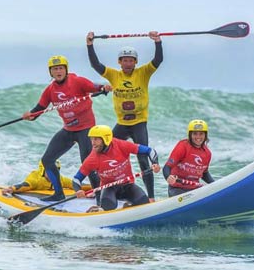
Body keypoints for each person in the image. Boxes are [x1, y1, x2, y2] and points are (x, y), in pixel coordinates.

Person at [86, 31, 163, 202]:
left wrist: (157, 42)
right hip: (121, 124)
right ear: (119, 62)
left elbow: (158, 61)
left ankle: (151, 197)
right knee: (100, 153)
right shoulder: (114, 75)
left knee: (143, 159)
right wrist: (89, 45)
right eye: (124, 60)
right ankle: (99, 191)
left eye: (131, 60)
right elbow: (95, 65)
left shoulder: (143, 73)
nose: (128, 63)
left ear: (135, 62)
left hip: (139, 124)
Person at [22, 55, 111, 201]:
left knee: (88, 162)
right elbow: (39, 109)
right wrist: (30, 115)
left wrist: (104, 87)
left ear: (66, 69)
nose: (58, 71)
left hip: (86, 129)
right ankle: (58, 194)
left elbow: (95, 87)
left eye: (61, 68)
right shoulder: (50, 90)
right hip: (68, 130)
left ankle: (100, 196)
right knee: (47, 160)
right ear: (51, 72)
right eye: (55, 69)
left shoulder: (77, 81)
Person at [72, 125, 160, 211]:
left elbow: (150, 151)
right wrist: (78, 190)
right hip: (109, 188)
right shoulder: (92, 159)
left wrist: (155, 163)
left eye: (96, 139)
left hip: (127, 185)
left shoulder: (121, 145)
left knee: (144, 202)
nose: (93, 143)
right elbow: (76, 179)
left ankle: (128, 207)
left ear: (105, 139)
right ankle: (99, 209)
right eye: (91, 139)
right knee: (108, 206)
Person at [163, 119, 215, 197]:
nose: (198, 137)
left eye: (201, 134)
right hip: (177, 189)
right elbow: (167, 167)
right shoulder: (183, 146)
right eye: (195, 134)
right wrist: (168, 177)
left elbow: (204, 173)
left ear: (205, 135)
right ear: (190, 134)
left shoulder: (207, 153)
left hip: (195, 189)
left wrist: (215, 184)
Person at [1, 160, 74, 195]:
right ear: (43, 170)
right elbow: (24, 185)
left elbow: (74, 184)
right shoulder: (36, 179)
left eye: (56, 170)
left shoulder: (60, 179)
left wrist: (84, 190)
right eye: (50, 171)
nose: (53, 173)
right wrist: (12, 189)